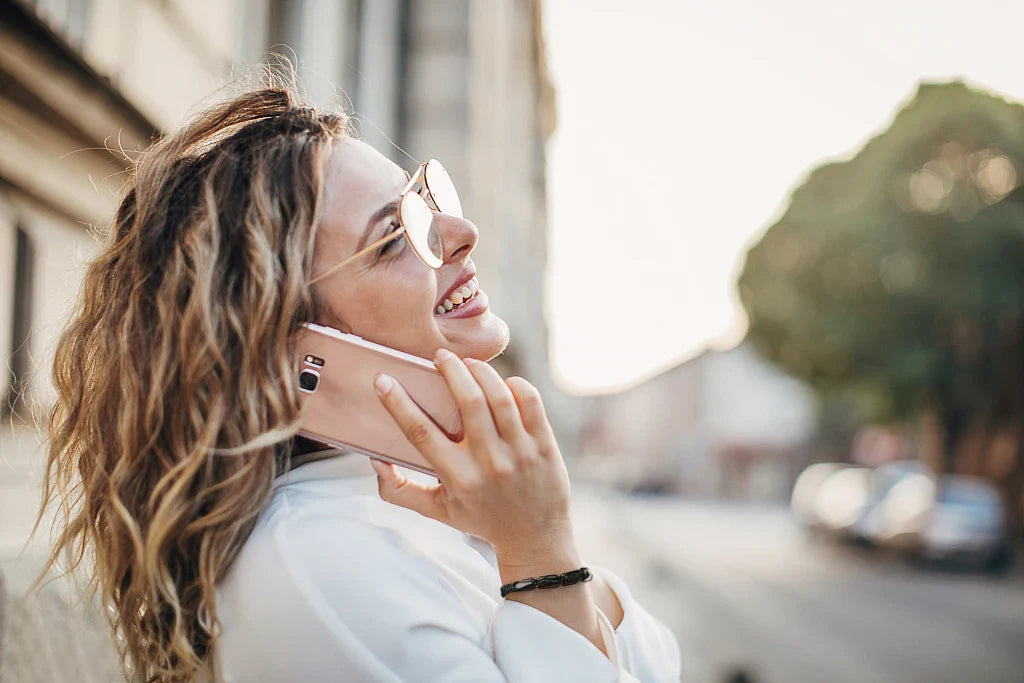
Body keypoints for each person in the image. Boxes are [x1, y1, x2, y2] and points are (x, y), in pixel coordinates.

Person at [40, 71, 682, 682]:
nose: (461, 232)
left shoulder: (439, 504)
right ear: (296, 356)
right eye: (393, 238)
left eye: (425, 204)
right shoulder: (317, 563)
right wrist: (541, 557)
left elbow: (658, 661)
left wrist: (531, 542)